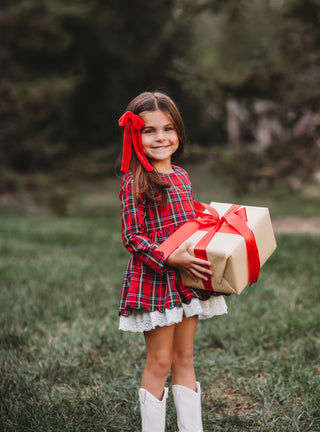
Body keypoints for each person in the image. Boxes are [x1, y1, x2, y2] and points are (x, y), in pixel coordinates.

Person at [118, 91, 227, 432]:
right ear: (135, 136)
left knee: (184, 357)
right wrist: (167, 257)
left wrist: (211, 220)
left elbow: (187, 221)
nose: (160, 137)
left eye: (168, 128)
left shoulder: (180, 175)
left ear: (178, 132)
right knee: (161, 361)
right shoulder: (134, 181)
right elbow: (132, 237)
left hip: (187, 281)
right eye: (149, 131)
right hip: (156, 281)